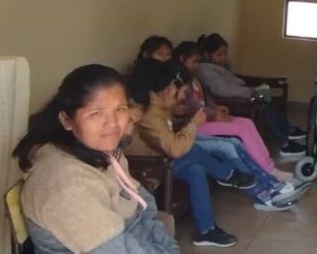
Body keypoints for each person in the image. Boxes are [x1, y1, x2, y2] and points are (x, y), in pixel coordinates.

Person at [126, 60, 295, 247]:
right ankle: (229, 175)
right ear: (167, 90)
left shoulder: (160, 109)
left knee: (196, 169)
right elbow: (174, 148)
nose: (179, 99)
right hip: (154, 166)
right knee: (194, 150)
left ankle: (207, 230)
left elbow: (168, 137)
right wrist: (192, 125)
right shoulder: (151, 115)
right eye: (177, 94)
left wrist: (186, 120)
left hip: (166, 160)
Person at [12, 64, 179, 254]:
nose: (113, 124)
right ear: (67, 120)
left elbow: (142, 203)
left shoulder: (102, 151)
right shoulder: (66, 184)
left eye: (120, 109)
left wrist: (168, 247)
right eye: (96, 113)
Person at [173, 41, 296, 184]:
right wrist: (215, 114)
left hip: (213, 114)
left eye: (198, 62)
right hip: (199, 123)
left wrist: (216, 108)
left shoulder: (196, 77)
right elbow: (195, 105)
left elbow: (207, 97)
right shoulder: (186, 80)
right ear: (182, 59)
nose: (196, 65)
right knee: (243, 127)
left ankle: (273, 157)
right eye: (194, 62)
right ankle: (271, 164)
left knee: (248, 122)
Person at [194, 33, 308, 157]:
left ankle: (287, 129)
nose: (224, 58)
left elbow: (233, 81)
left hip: (239, 93)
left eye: (225, 54)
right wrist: (250, 92)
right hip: (233, 100)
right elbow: (222, 90)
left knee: (265, 93)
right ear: (207, 55)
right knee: (264, 101)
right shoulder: (206, 70)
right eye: (219, 55)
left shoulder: (219, 67)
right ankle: (284, 143)